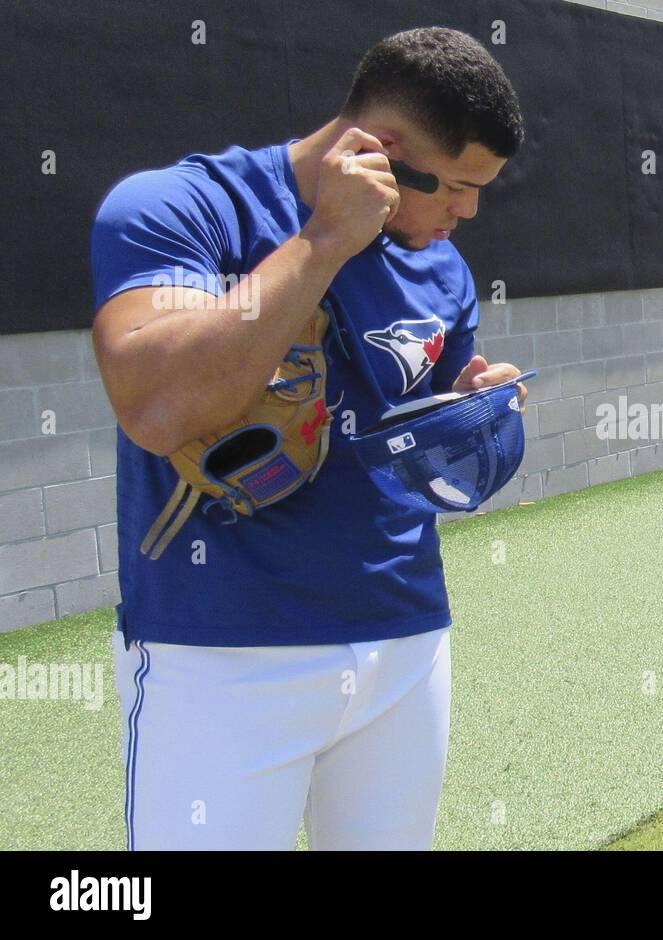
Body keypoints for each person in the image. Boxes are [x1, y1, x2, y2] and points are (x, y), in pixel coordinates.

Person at [90, 27, 527, 850]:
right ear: (384, 154)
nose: (468, 212)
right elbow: (153, 406)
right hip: (219, 653)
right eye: (459, 187)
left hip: (404, 640)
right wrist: (325, 241)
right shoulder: (185, 206)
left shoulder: (442, 264)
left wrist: (471, 411)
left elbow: (416, 450)